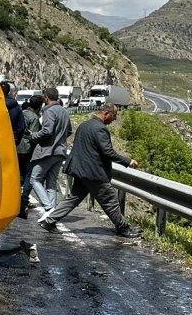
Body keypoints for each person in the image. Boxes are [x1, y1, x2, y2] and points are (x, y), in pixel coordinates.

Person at [39, 103, 142, 238]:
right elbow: (108, 152)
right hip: (94, 173)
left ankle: (49, 221)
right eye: (114, 115)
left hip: (81, 171)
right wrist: (128, 161)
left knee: (72, 199)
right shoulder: (100, 129)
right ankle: (123, 228)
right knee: (110, 201)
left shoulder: (84, 125)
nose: (115, 119)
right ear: (106, 114)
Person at [25, 87, 70, 219]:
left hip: (48, 151)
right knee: (51, 182)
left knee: (34, 179)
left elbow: (47, 131)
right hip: (60, 151)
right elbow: (69, 131)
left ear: (46, 98)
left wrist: (33, 136)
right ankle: (52, 214)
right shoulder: (64, 111)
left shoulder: (49, 111)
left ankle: (48, 208)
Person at [16, 95, 43, 218]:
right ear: (40, 106)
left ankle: (14, 197)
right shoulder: (34, 118)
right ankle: (23, 200)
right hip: (27, 150)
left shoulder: (21, 113)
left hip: (15, 147)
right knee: (29, 175)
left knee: (17, 174)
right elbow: (34, 136)